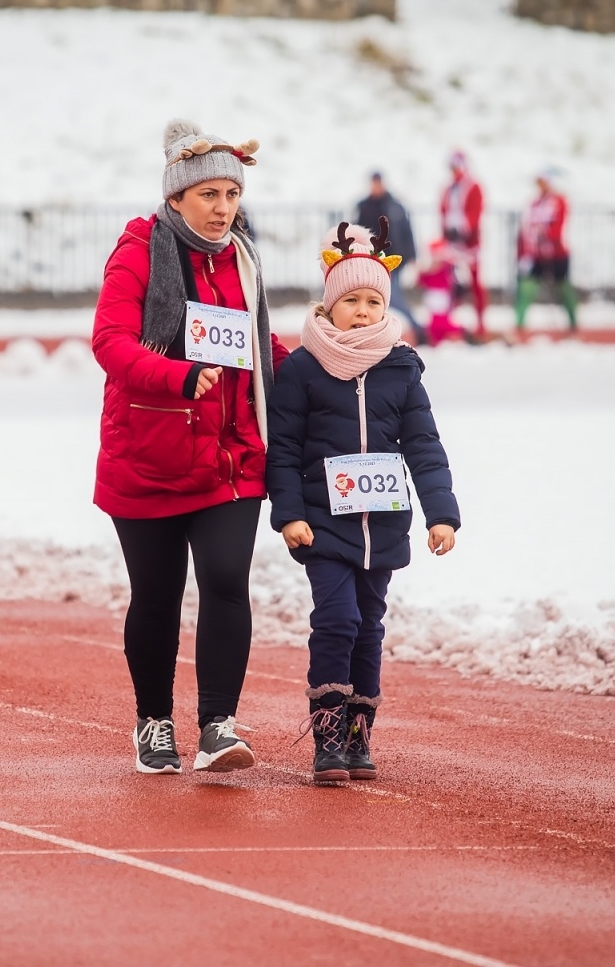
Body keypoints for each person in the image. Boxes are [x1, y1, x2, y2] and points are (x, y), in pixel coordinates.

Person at [93, 118, 289, 776]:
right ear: (176, 198)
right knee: (156, 594)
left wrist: (328, 361)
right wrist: (178, 374)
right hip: (149, 451)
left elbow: (252, 345)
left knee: (227, 579)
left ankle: (217, 727)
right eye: (209, 196)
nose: (223, 209)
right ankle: (153, 723)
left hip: (230, 454)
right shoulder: (140, 252)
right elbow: (111, 343)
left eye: (231, 196)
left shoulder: (243, 258)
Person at [267, 220, 460, 784]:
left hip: (385, 523)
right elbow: (283, 448)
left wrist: (441, 513)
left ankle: (358, 734)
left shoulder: (400, 368)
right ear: (330, 306)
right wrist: (290, 514)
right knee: (337, 617)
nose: (363, 310)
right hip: (323, 524)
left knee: (370, 626)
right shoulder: (304, 368)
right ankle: (326, 736)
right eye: (350, 300)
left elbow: (424, 444)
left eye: (374, 300)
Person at [424, 149, 487, 344]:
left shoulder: (473, 186)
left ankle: (480, 322)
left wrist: (465, 229)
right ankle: (450, 321)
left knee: (475, 282)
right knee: (451, 282)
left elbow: (475, 211)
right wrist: (446, 233)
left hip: (469, 243)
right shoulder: (448, 188)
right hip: (452, 242)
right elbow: (443, 210)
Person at [354, 171, 424, 344]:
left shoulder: (394, 205)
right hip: (373, 259)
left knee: (392, 297)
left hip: (394, 259)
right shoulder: (365, 206)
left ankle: (417, 329)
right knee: (381, 297)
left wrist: (412, 255)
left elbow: (406, 231)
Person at [515, 166, 578, 335]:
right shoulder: (533, 204)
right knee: (526, 287)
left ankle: (573, 324)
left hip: (556, 254)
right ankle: (519, 325)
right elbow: (525, 228)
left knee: (563, 289)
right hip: (535, 255)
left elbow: (558, 227)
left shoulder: (559, 201)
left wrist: (546, 236)